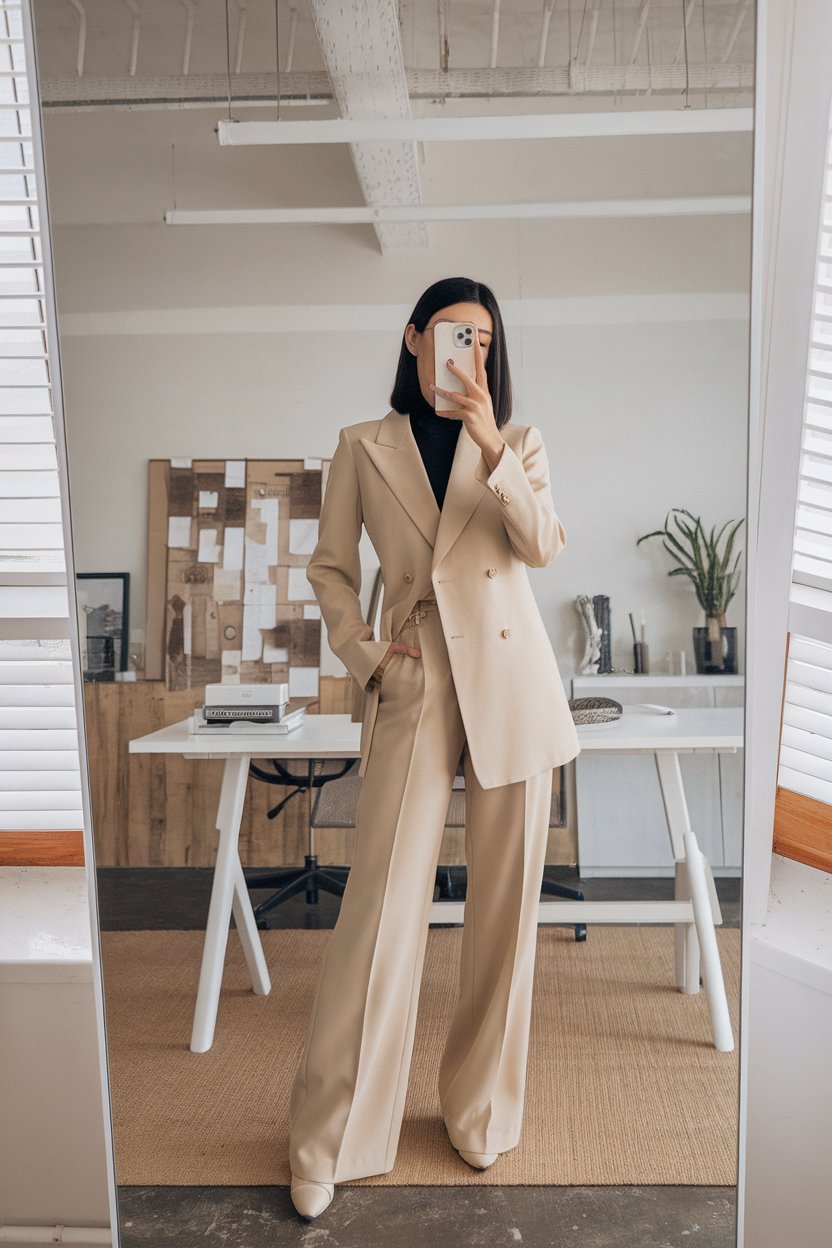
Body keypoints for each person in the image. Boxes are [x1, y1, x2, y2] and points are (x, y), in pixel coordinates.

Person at [287, 276, 581, 1220]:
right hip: (416, 678)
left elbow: (542, 548)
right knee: (377, 911)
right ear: (416, 337)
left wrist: (493, 443)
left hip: (511, 681)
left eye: (488, 339)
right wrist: (371, 658)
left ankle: (480, 1114)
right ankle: (332, 1136)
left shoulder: (520, 443)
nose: (473, 351)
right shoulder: (360, 447)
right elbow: (331, 569)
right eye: (458, 332)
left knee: (503, 919)